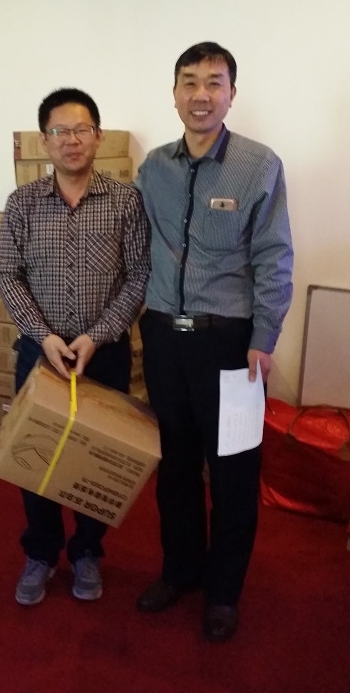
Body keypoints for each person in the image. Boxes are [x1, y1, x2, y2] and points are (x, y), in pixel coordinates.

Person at [134, 41, 293, 642]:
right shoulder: (154, 168)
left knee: (232, 471)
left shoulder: (259, 165)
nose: (200, 95)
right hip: (164, 339)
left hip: (229, 344)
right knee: (175, 465)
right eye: (189, 82)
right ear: (174, 93)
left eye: (214, 82)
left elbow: (275, 256)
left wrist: (264, 336)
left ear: (231, 93)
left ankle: (223, 591)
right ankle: (180, 571)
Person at [0, 87, 150, 606]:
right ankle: (40, 552)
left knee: (96, 458)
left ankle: (86, 551)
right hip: (40, 354)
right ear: (45, 141)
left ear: (98, 137)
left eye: (82, 129)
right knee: (35, 456)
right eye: (60, 131)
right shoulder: (22, 204)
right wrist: (45, 336)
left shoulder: (125, 201)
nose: (72, 140)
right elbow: (7, 275)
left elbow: (138, 276)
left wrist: (96, 335)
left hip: (102, 353)